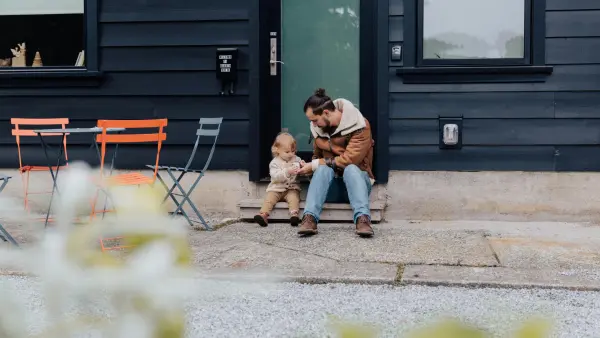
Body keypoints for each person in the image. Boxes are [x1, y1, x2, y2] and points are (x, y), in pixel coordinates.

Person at [294, 88, 375, 237]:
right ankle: (309, 218)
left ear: (326, 113)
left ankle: (363, 219)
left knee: (350, 168)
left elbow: (349, 160)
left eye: (314, 120)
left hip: (357, 187)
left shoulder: (359, 125)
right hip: (331, 189)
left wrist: (316, 164)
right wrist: (309, 166)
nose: (314, 124)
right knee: (323, 170)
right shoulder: (319, 129)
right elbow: (316, 159)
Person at [254, 132, 303, 227]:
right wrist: (287, 171)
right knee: (269, 199)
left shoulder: (296, 159)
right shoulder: (274, 163)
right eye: (287, 152)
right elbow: (275, 176)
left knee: (294, 198)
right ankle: (263, 215)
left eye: (293, 151)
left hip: (291, 188)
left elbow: (302, 170)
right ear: (277, 150)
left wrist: (302, 166)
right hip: (276, 189)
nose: (290, 154)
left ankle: (294, 215)